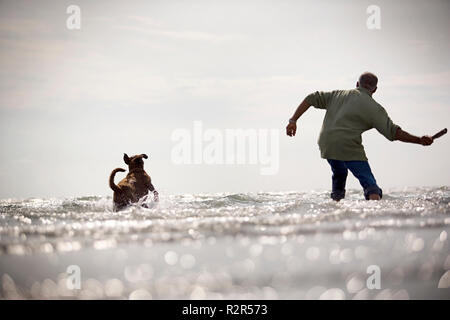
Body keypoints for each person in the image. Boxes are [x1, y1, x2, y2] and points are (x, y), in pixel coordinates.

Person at [286, 72, 434, 201]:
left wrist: (293, 120)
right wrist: (419, 140)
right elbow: (393, 132)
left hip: (327, 142)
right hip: (348, 145)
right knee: (370, 184)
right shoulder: (375, 108)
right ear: (375, 90)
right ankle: (374, 214)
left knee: (339, 173)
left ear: (357, 84)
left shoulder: (337, 94)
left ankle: (335, 209)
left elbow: (311, 98)